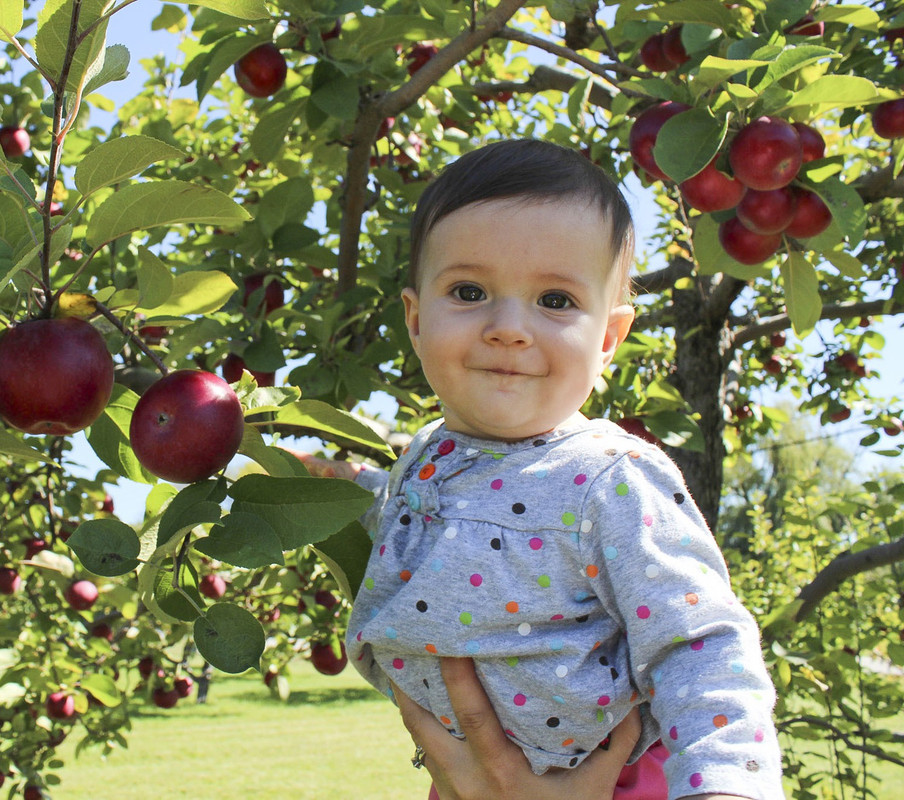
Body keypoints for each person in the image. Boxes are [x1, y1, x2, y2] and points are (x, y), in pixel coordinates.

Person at [292, 140, 783, 800]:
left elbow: (699, 640)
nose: (509, 327)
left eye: (554, 299)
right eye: (469, 291)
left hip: (612, 784)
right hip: (466, 781)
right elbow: (429, 523)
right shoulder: (428, 453)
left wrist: (723, 785)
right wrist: (339, 486)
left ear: (608, 339)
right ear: (415, 319)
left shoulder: (611, 478)